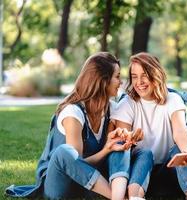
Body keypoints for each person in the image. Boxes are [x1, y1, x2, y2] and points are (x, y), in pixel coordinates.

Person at [5, 52, 130, 199]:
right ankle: (119, 197)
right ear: (102, 80)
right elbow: (75, 164)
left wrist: (117, 144)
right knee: (64, 152)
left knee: (120, 145)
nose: (121, 82)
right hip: (59, 184)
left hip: (88, 185)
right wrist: (105, 151)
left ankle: (121, 193)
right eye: (117, 77)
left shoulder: (111, 109)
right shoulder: (73, 112)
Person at [109, 52, 187, 200]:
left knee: (180, 150)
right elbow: (122, 142)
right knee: (144, 153)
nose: (139, 81)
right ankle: (135, 197)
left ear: (156, 74)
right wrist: (130, 140)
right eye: (134, 76)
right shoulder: (127, 103)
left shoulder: (173, 99)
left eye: (144, 75)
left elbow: (180, 130)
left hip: (171, 170)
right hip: (140, 173)